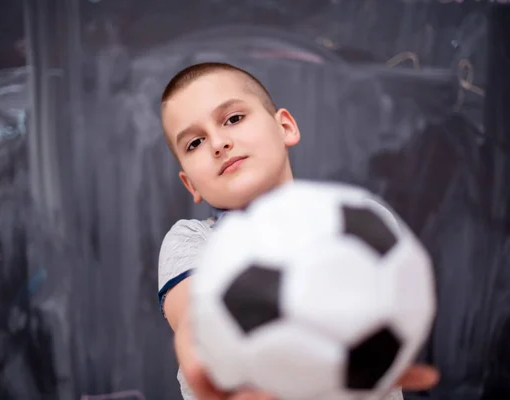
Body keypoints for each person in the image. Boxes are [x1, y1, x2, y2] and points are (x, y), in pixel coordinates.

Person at [157, 62, 439, 400]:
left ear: (286, 127)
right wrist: (204, 357)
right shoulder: (192, 241)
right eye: (194, 143)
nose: (218, 143)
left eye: (233, 119)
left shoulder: (362, 223)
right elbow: (195, 321)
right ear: (191, 184)